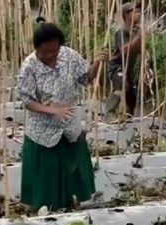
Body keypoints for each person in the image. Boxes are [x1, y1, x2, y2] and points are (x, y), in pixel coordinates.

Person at [17, 23, 106, 211]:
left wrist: (97, 63)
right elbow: (27, 101)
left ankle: (71, 203)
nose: (51, 56)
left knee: (72, 169)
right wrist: (52, 111)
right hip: (42, 130)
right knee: (46, 174)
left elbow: (86, 78)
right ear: (37, 48)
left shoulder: (69, 56)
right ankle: (44, 207)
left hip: (68, 125)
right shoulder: (29, 66)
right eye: (45, 52)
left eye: (54, 51)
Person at [108, 2, 144, 116]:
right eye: (136, 12)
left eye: (139, 11)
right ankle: (108, 112)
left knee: (131, 96)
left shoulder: (135, 31)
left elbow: (139, 50)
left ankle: (129, 117)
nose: (139, 14)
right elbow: (124, 50)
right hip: (117, 66)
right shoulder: (121, 31)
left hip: (128, 68)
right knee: (122, 85)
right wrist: (138, 37)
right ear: (127, 15)